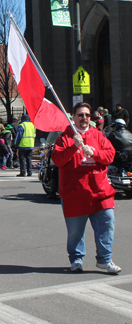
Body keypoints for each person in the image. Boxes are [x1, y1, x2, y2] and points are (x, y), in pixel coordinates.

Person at [52, 102, 121, 274]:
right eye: (81, 115)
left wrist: (95, 153)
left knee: (107, 224)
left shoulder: (98, 135)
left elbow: (110, 156)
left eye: (87, 115)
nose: (84, 118)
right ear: (73, 117)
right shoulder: (65, 137)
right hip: (75, 194)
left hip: (100, 192)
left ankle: (105, 260)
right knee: (75, 232)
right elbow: (58, 160)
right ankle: (76, 260)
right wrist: (74, 146)